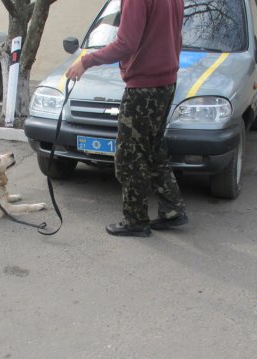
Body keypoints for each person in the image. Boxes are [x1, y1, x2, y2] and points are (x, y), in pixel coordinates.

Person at [66, 0, 188, 237]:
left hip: (143, 86)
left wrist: (85, 61)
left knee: (129, 156)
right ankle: (172, 210)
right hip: (166, 82)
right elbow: (177, 38)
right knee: (153, 148)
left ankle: (136, 221)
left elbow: (125, 44)